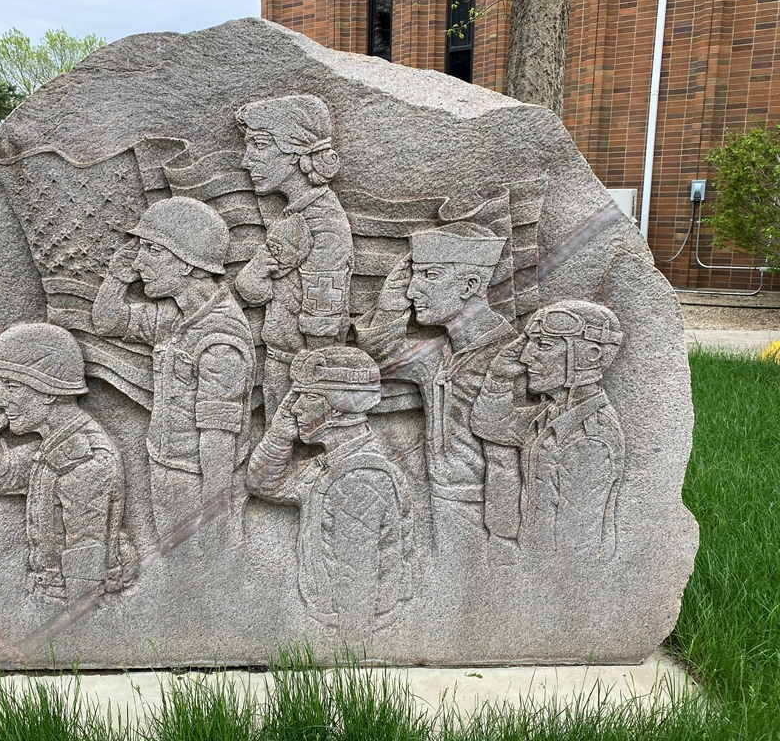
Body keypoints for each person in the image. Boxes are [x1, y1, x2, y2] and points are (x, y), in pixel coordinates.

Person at [91, 196, 255, 545]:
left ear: (187, 263)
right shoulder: (174, 316)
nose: (139, 263)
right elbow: (108, 322)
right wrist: (116, 279)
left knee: (197, 566)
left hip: (194, 478)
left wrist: (214, 517)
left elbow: (218, 438)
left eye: (152, 250)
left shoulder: (219, 338)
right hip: (167, 467)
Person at [355, 222, 519, 560]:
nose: (412, 291)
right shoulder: (437, 354)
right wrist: (389, 307)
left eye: (430, 275)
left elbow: (506, 461)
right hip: (440, 501)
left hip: (485, 513)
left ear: (470, 285)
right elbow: (377, 360)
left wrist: (503, 539)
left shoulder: (510, 356)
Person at [247, 347, 413, 639]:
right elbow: (263, 483)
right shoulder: (332, 465)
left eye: (308, 398)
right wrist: (280, 433)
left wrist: (350, 648)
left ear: (338, 408)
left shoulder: (358, 480)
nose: (296, 408)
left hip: (345, 630)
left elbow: (357, 585)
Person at [0, 323, 127, 606]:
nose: (0, 400)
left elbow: (84, 574)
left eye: (11, 386)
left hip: (63, 606)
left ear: (49, 391)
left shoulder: (85, 462)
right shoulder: (56, 445)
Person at [472, 300, 625, 560]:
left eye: (542, 346)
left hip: (554, 572)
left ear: (588, 356)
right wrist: (499, 378)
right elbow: (491, 425)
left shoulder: (589, 439)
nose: (525, 357)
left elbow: (577, 548)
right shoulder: (552, 414)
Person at [236, 95, 353, 355]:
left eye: (259, 144)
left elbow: (322, 315)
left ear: (296, 151)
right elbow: (260, 289)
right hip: (281, 357)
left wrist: (313, 369)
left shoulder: (324, 224)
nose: (246, 160)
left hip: (302, 364)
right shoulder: (296, 212)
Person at [234, 210, 312, 418]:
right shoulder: (271, 273)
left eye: (278, 249)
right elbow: (255, 295)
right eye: (270, 247)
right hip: (275, 358)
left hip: (303, 362)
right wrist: (255, 271)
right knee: (273, 416)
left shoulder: (308, 276)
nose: (273, 255)